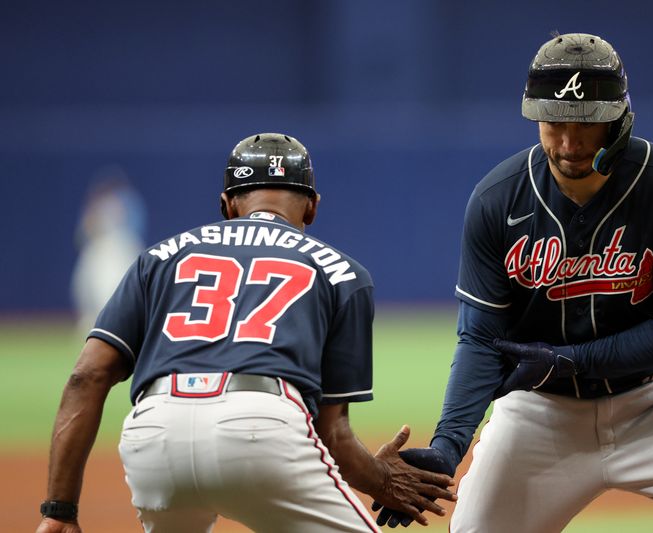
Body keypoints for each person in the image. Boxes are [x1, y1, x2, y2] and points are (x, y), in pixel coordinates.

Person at [374, 33, 653, 531]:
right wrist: (448, 445)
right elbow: (481, 339)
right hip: (539, 412)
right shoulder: (498, 200)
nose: (570, 142)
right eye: (554, 121)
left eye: (588, 122)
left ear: (618, 119)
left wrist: (573, 360)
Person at [37, 133, 456, 533]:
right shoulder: (343, 272)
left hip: (154, 433)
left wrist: (59, 510)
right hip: (261, 425)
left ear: (226, 204)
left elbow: (86, 377)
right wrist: (383, 480)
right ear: (311, 207)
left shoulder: (158, 257)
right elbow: (334, 435)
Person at [70, 170, 147, 336]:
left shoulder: (127, 203)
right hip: (98, 249)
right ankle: (94, 324)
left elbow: (132, 229)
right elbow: (83, 233)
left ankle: (115, 326)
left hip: (118, 249)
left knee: (112, 289)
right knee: (85, 287)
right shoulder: (96, 206)